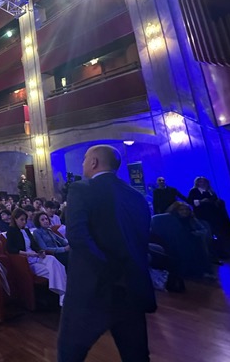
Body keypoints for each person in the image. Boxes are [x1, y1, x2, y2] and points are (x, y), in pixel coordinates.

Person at [58, 145, 156, 362]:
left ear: (93, 162)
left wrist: (109, 270)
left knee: (70, 353)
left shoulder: (81, 189)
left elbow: (77, 237)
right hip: (131, 286)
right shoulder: (137, 196)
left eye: (85, 159)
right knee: (136, 355)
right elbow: (141, 239)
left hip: (93, 289)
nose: (83, 163)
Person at [6, 208, 67, 302]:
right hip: (27, 260)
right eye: (22, 220)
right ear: (15, 219)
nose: (24, 222)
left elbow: (34, 245)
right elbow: (10, 249)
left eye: (25, 220)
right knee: (55, 270)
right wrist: (27, 254)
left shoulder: (26, 230)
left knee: (53, 260)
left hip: (35, 256)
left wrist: (40, 251)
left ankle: (62, 295)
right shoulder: (11, 231)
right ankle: (63, 295)